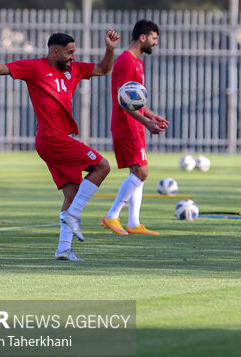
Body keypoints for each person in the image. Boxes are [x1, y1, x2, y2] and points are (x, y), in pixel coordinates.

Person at [0, 30, 121, 261]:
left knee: (72, 193)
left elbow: (103, 69)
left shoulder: (75, 69)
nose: (72, 57)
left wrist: (110, 49)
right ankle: (74, 215)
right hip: (52, 138)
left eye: (74, 52)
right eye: (69, 53)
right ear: (54, 52)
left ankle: (64, 249)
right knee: (103, 166)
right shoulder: (34, 67)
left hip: (54, 140)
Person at [101, 20, 169, 236]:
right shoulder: (126, 62)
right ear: (143, 37)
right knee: (141, 172)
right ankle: (112, 216)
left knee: (138, 172)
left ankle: (134, 223)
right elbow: (123, 101)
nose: (156, 43)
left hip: (136, 123)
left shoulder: (138, 62)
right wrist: (146, 122)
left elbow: (134, 100)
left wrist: (151, 115)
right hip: (127, 125)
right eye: (154, 38)